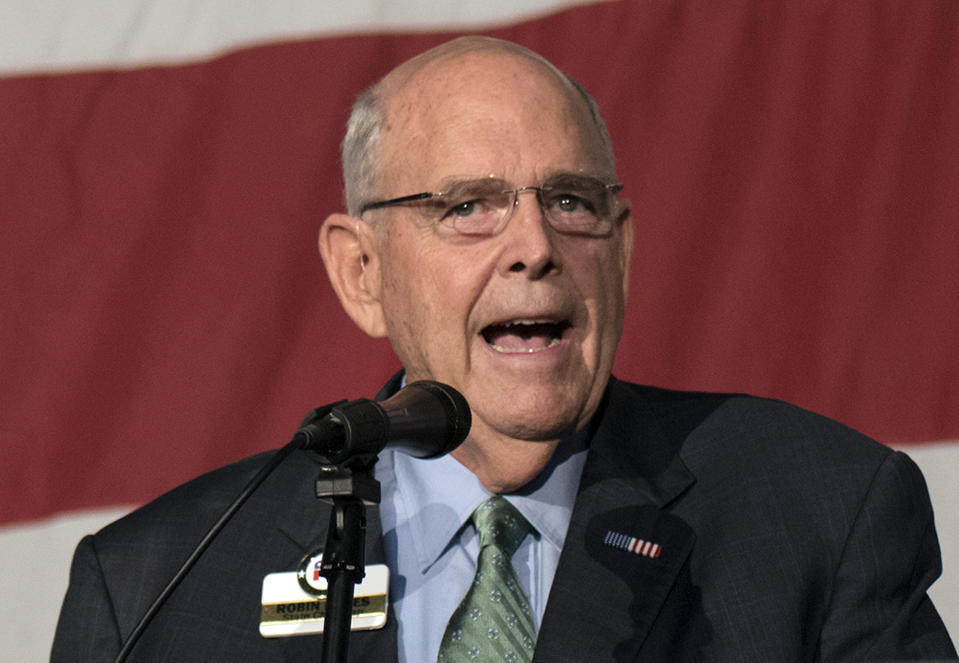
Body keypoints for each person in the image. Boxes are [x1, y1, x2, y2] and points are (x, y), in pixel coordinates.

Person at [52, 36, 956, 662]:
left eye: (569, 200)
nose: (533, 244)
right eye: (468, 205)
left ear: (622, 248)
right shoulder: (153, 585)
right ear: (362, 273)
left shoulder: (816, 516)